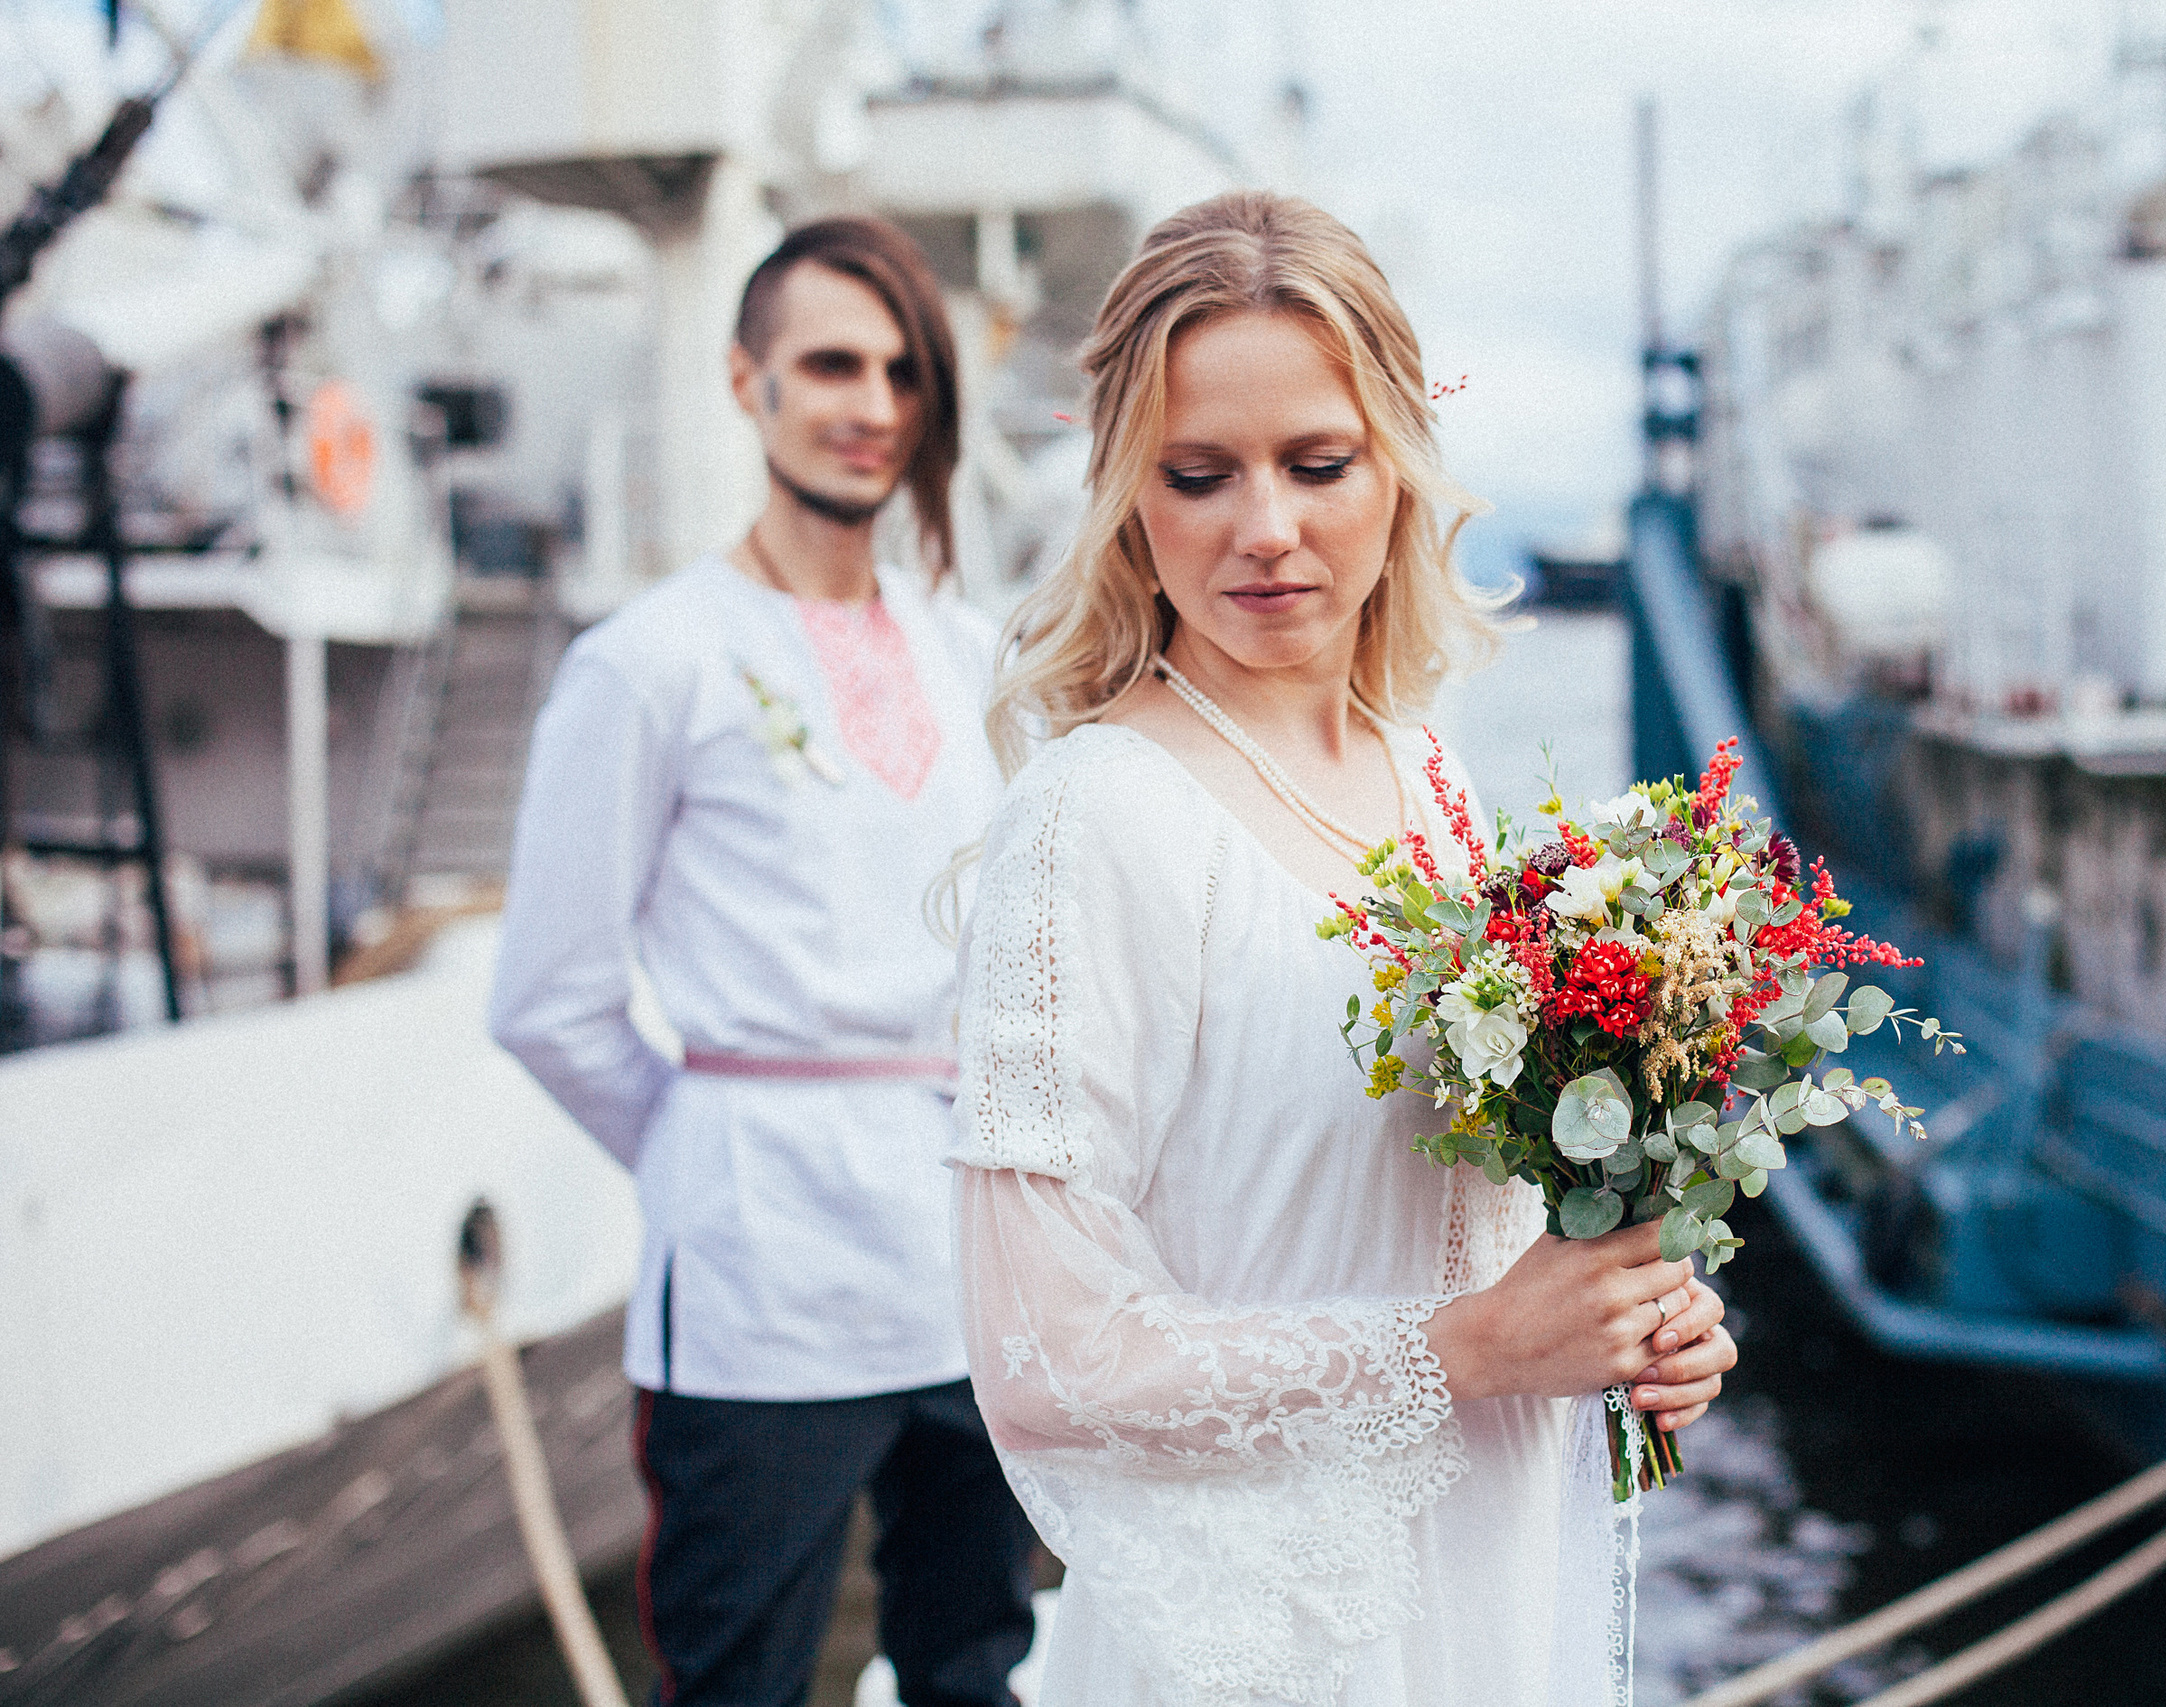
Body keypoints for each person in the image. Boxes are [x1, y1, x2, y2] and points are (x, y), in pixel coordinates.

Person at [952, 190, 1737, 1707]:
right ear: (1130, 492)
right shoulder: (1093, 820)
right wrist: (1468, 1348)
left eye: (1319, 464)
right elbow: (1045, 1357)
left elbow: (1472, 1222)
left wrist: (1630, 1315)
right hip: (1270, 1639)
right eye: (1199, 475)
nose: (1266, 530)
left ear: (1397, 468)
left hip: (1487, 1581)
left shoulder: (1424, 773)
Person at [490, 216, 1036, 1707]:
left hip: (968, 1262)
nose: (872, 403)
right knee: (737, 1680)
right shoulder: (649, 660)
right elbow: (549, 999)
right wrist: (700, 1145)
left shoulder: (973, 651)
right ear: (748, 381)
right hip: (757, 1277)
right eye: (831, 364)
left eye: (901, 371)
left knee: (976, 1666)